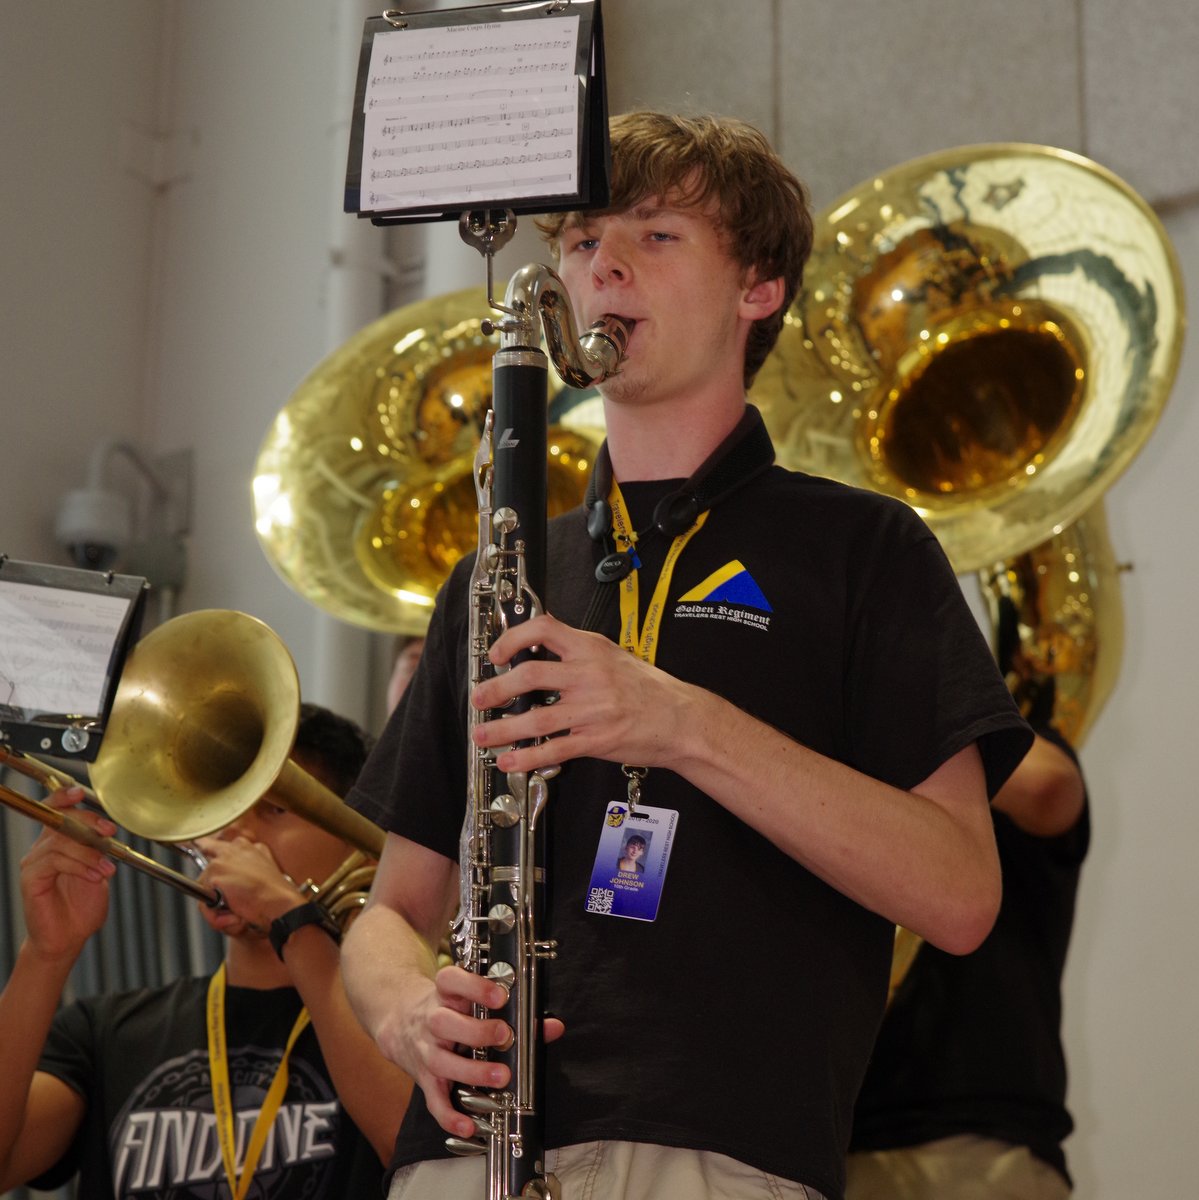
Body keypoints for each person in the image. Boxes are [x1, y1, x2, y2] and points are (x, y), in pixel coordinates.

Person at [340, 111, 1033, 1200]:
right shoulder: (500, 571)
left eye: (655, 235)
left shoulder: (864, 548)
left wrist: (682, 724)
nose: (601, 264)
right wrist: (403, 1009)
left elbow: (958, 892)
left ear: (758, 287)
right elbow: (392, 910)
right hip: (465, 1151)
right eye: (581, 240)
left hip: (718, 1148)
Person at [0, 702, 413, 1198]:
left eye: (275, 809)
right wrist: (46, 954)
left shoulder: (394, 1021)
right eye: (227, 805)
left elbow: (407, 1146)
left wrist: (292, 920)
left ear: (360, 845)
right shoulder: (104, 1030)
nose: (235, 831)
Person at [847, 694, 1088, 1197]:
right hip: (831, 1145)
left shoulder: (1010, 736)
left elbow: (1049, 788)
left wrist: (878, 730)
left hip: (975, 1147)